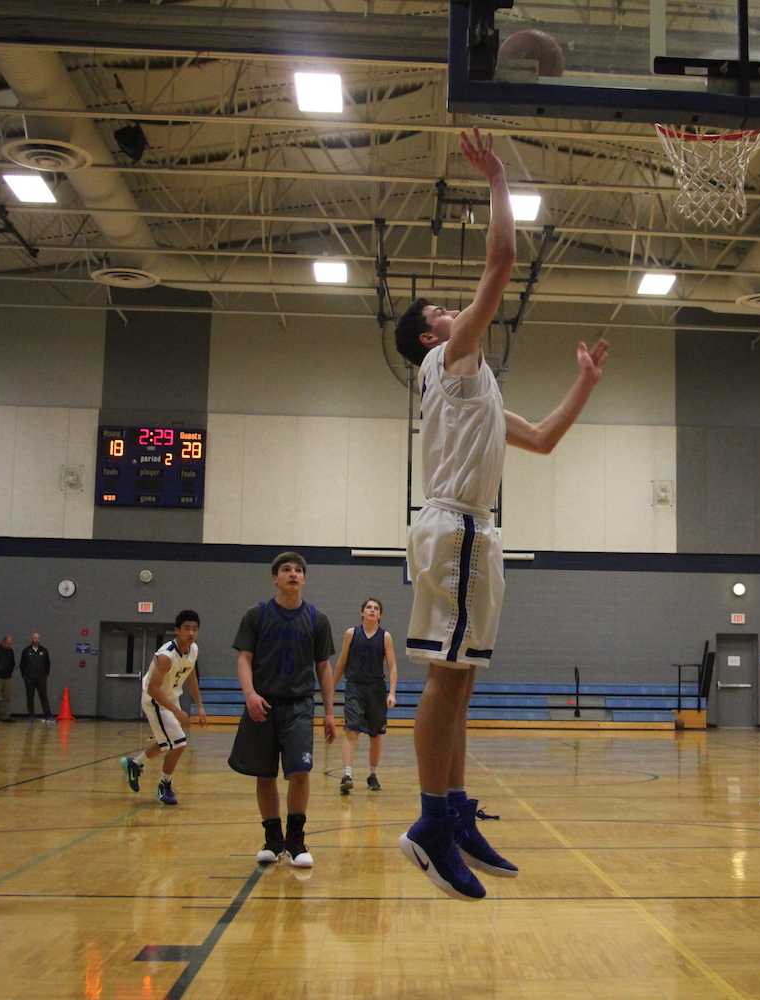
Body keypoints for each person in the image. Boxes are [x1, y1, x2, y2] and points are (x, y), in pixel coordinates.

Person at [392, 128, 610, 902]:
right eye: (445, 310)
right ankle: (427, 822)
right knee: (445, 684)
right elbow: (503, 261)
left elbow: (545, 439)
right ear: (430, 334)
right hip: (453, 525)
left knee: (463, 684)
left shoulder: (476, 391)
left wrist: (583, 382)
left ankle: (451, 810)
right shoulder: (447, 364)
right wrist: (497, 177)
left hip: (475, 531)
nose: (460, 311)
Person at [229, 552, 337, 869]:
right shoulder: (257, 615)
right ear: (275, 577)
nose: (293, 573)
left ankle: (296, 841)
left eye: (298, 570)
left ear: (304, 578)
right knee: (265, 774)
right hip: (262, 704)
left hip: (300, 705)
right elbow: (244, 658)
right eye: (286, 569)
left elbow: (324, 667)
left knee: (300, 771)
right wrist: (249, 694)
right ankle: (273, 841)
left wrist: (329, 712)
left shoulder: (317, 619)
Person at [122, 610, 207, 806]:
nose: (191, 633)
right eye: (187, 628)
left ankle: (135, 764)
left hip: (170, 697)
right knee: (178, 743)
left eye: (195, 629)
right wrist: (176, 711)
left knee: (165, 742)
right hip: (154, 700)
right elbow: (153, 689)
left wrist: (200, 706)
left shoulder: (193, 650)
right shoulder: (166, 656)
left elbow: (191, 677)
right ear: (177, 631)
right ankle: (164, 784)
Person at [334, 597, 398, 795]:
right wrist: (331, 687)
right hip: (355, 687)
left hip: (376, 690)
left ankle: (372, 774)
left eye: (376, 608)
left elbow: (392, 665)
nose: (372, 610)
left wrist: (392, 692)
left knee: (376, 735)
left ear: (380, 615)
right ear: (362, 612)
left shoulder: (385, 636)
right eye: (368, 607)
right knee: (351, 730)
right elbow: (342, 661)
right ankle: (347, 775)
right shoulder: (351, 634)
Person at [19, 632, 54, 723]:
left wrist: (45, 675)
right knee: (30, 697)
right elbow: (22, 664)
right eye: (34, 638)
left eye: (37, 638)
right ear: (31, 639)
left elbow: (48, 664)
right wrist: (24, 676)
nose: (36, 640)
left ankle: (48, 715)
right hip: (29, 679)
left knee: (44, 697)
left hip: (41, 678)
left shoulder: (44, 650)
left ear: (39, 639)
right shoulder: (26, 651)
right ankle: (31, 716)